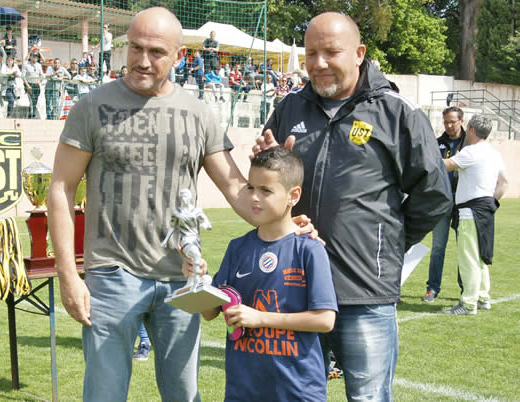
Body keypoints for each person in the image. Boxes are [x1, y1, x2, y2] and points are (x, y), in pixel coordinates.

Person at [47, 8, 274, 401]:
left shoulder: (199, 114)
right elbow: (61, 188)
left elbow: (236, 189)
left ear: (179, 57)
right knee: (104, 395)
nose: (142, 61)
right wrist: (68, 274)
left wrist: (281, 207)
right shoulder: (91, 107)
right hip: (112, 275)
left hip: (182, 278)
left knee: (184, 395)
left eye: (156, 52)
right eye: (135, 48)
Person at [252, 12, 452, 400]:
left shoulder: (396, 111)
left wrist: (389, 244)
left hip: (364, 289)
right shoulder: (290, 108)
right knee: (293, 394)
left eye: (331, 52)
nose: (319, 63)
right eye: (311, 53)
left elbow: (435, 193)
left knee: (367, 396)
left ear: (359, 53)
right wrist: (268, 164)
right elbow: (265, 187)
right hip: (296, 290)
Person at [200, 146, 338, 401]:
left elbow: (325, 320)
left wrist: (261, 318)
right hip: (244, 390)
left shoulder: (309, 249)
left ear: (293, 195)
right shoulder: (238, 248)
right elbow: (209, 313)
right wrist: (200, 278)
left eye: (266, 191)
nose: (254, 197)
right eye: (251, 187)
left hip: (297, 390)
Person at [441, 115, 508, 315]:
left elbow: (445, 165)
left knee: (469, 257)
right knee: (480, 256)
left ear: (470, 129)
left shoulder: (471, 151)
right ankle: (482, 297)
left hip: (470, 210)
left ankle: (469, 303)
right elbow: (504, 182)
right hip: (486, 208)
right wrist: (490, 202)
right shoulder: (494, 153)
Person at [423, 106, 467, 302]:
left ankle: (466, 289)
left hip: (464, 202)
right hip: (442, 201)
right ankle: (432, 288)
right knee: (438, 247)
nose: (449, 125)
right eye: (446, 122)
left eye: (452, 121)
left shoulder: (470, 143)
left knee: (464, 247)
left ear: (461, 121)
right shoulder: (437, 143)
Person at [22, 51, 44, 119]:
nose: (35, 58)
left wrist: (39, 81)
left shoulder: (39, 65)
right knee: (31, 100)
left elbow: (42, 76)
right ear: (30, 57)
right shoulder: (26, 64)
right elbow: (23, 76)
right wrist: (28, 86)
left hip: (36, 85)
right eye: (33, 57)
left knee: (35, 100)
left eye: (36, 57)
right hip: (29, 84)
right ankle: (31, 115)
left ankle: (32, 113)